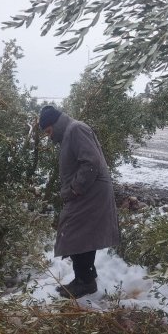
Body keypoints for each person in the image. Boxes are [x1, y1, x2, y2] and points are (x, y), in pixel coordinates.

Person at [38, 105, 120, 299]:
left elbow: (91, 162)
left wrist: (75, 188)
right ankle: (84, 279)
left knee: (75, 234)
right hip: (86, 193)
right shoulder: (69, 132)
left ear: (55, 124)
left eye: (49, 131)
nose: (49, 137)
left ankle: (85, 282)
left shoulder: (76, 129)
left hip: (90, 193)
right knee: (81, 236)